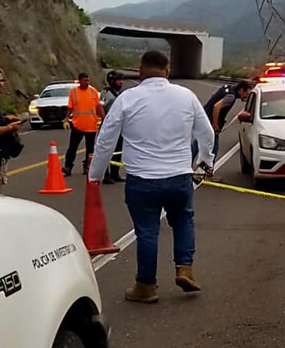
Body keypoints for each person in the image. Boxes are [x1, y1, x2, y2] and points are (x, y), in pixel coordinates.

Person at [88, 51, 215, 304]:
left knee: (146, 231)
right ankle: (184, 268)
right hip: (179, 176)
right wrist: (206, 160)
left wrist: (96, 176)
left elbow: (105, 140)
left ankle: (146, 285)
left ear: (140, 70)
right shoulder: (186, 96)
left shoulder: (127, 99)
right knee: (183, 220)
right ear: (167, 71)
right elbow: (206, 133)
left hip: (142, 180)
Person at [192, 80, 252, 164]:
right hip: (209, 120)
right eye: (247, 93)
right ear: (241, 90)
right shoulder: (231, 97)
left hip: (204, 117)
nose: (246, 96)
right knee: (213, 148)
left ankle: (191, 165)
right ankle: (206, 169)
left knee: (200, 142)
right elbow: (216, 107)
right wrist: (215, 125)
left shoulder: (229, 88)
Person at [62, 72, 104, 176]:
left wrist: (104, 119)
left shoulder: (93, 91)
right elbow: (70, 107)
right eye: (85, 80)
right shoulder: (74, 92)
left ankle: (87, 167)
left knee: (90, 149)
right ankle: (68, 167)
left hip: (91, 125)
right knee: (72, 147)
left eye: (88, 80)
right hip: (78, 125)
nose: (87, 82)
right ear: (79, 81)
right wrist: (66, 118)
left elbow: (98, 107)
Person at [101, 70, 125, 184]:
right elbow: (100, 107)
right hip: (109, 126)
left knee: (117, 151)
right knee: (107, 150)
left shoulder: (120, 94)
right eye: (118, 80)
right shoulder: (106, 93)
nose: (121, 83)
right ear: (111, 81)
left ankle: (115, 173)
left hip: (119, 127)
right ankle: (106, 175)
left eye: (121, 80)